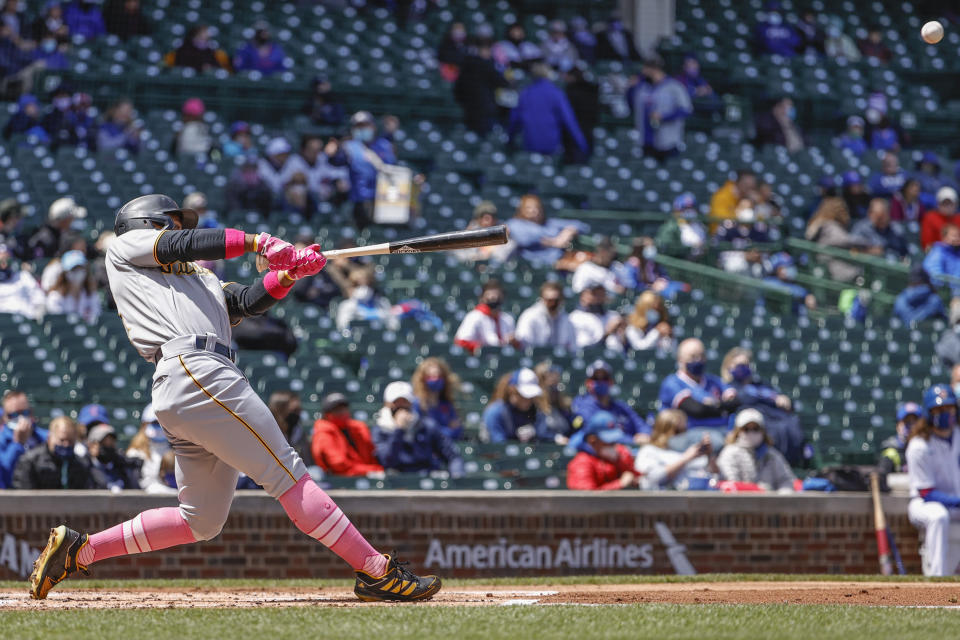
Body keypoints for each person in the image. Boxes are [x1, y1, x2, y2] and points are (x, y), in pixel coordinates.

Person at [28, 193, 440, 603]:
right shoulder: (124, 247)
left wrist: (289, 275)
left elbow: (243, 302)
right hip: (194, 368)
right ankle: (374, 570)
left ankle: (82, 550)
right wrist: (260, 242)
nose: (180, 228)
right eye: (170, 221)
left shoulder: (198, 279)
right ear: (146, 222)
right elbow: (180, 244)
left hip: (190, 382)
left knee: (200, 519)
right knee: (288, 473)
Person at [906, 384, 960, 576]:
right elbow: (926, 493)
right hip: (924, 504)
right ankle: (937, 579)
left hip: (955, 502)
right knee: (938, 515)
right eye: (939, 409)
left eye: (949, 408)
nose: (945, 413)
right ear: (929, 413)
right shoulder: (919, 445)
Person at [720, 347, 805, 465]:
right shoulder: (727, 387)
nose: (742, 368)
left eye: (745, 364)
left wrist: (784, 399)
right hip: (756, 419)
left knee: (792, 423)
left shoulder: (761, 385)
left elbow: (787, 402)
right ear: (729, 367)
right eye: (738, 365)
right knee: (773, 429)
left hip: (776, 417)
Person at [371, 381, 463, 477]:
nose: (401, 406)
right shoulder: (380, 430)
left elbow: (452, 455)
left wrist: (457, 476)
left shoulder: (426, 426)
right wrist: (399, 430)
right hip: (396, 480)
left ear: (411, 404)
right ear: (387, 404)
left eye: (405, 402)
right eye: (397, 402)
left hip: (427, 477)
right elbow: (387, 460)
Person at [659, 338, 738, 447]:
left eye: (702, 356)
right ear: (680, 359)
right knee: (718, 443)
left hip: (722, 430)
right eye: (693, 357)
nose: (699, 360)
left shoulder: (713, 380)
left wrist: (711, 405)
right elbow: (696, 410)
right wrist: (722, 408)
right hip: (687, 435)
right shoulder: (672, 382)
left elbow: (735, 403)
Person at [328, 111, 398, 230]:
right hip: (359, 200)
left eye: (365, 125)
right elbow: (336, 161)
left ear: (373, 126)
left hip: (383, 199)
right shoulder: (349, 146)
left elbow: (392, 168)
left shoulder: (384, 145)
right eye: (358, 126)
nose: (362, 129)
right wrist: (332, 152)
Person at [508, 63, 588, 157]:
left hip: (530, 143)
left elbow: (514, 120)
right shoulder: (556, 93)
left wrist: (510, 140)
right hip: (551, 144)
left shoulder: (525, 93)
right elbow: (569, 121)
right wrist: (582, 145)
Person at [627, 56, 692, 161]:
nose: (643, 71)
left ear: (654, 69)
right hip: (645, 140)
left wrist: (663, 116)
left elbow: (686, 110)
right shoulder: (641, 87)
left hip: (668, 141)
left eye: (646, 68)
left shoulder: (674, 86)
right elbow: (631, 106)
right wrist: (630, 89)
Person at [716, 408, 796, 491]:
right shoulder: (730, 453)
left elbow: (787, 480)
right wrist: (758, 490)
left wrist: (781, 496)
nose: (751, 432)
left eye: (756, 429)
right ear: (738, 431)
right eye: (746, 429)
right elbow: (731, 484)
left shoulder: (772, 454)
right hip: (739, 502)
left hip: (770, 502)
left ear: (763, 431)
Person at [634, 409, 717, 490]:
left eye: (684, 430)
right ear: (664, 430)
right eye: (677, 431)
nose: (682, 436)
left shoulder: (690, 449)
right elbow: (652, 478)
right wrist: (685, 458)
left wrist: (709, 454)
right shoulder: (649, 450)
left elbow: (715, 475)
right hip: (667, 500)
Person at [572, 359, 649, 444]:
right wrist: (633, 441)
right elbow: (599, 434)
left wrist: (646, 435)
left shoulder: (620, 406)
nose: (600, 382)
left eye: (604, 378)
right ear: (588, 383)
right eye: (596, 378)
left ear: (611, 382)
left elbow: (640, 423)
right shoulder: (584, 406)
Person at [12, 416, 98, 490]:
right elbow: (24, 494)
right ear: (49, 438)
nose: (66, 444)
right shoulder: (30, 461)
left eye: (70, 441)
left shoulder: (81, 464)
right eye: (62, 440)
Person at [310, 393, 383, 477]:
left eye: (344, 408)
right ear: (327, 414)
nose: (342, 412)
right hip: (337, 482)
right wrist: (372, 470)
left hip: (361, 475)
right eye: (337, 410)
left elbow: (372, 457)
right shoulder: (324, 432)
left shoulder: (357, 428)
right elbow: (340, 466)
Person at [505, 194, 588, 267]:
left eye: (537, 207)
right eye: (529, 208)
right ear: (522, 209)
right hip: (533, 266)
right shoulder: (515, 223)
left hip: (559, 262)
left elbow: (582, 226)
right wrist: (555, 242)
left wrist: (568, 231)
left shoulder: (550, 223)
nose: (534, 211)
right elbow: (524, 240)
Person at [565, 411, 638, 491]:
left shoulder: (621, 453)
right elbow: (587, 499)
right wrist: (620, 484)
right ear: (592, 440)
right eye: (608, 441)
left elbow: (638, 476)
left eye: (614, 441)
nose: (613, 445)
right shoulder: (581, 463)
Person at [482, 369, 556, 443]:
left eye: (531, 396)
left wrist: (535, 433)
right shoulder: (495, 412)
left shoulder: (537, 412)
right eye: (524, 395)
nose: (528, 399)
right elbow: (499, 445)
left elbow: (545, 437)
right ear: (512, 390)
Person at [804, 196, 866, 283]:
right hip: (832, 266)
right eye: (842, 210)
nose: (845, 213)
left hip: (826, 264)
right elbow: (844, 240)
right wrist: (867, 243)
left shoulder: (820, 224)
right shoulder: (829, 225)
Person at [454, 36, 507, 135]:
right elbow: (502, 82)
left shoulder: (466, 64)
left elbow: (457, 90)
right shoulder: (486, 65)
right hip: (484, 108)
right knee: (484, 136)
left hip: (469, 108)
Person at [0, 389, 48, 489]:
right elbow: (5, 474)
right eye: (14, 415)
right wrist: (18, 444)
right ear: (5, 417)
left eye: (25, 412)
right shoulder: (1, 441)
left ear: (31, 412)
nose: (21, 418)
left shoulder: (46, 437)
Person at [453, 279, 516, 352]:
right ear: (482, 298)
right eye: (490, 297)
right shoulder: (474, 316)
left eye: (497, 297)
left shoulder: (507, 319)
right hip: (482, 359)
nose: (494, 299)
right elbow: (460, 341)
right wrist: (481, 348)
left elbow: (515, 344)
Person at [515, 281, 577, 351]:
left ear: (561, 300)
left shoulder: (566, 319)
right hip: (536, 358)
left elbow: (572, 347)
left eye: (556, 300)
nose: (553, 303)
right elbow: (524, 344)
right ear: (542, 299)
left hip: (559, 359)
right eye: (549, 300)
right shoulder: (530, 316)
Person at [125, 403, 173, 493]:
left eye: (163, 423)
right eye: (155, 423)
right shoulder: (135, 453)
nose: (160, 426)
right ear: (144, 424)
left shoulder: (177, 449)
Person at [286, 135, 348, 204]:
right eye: (312, 150)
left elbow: (333, 172)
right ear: (303, 150)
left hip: (320, 196)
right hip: (304, 197)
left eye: (318, 150)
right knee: (298, 190)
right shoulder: (294, 161)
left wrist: (338, 180)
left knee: (343, 185)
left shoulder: (321, 158)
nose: (316, 153)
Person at [411, 358, 462, 441]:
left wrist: (440, 432)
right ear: (423, 379)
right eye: (431, 377)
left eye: (439, 376)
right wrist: (447, 430)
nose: (436, 379)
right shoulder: (417, 404)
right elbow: (421, 432)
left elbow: (457, 430)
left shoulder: (447, 404)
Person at [45, 249, 101, 323]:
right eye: (74, 269)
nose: (78, 272)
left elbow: (96, 320)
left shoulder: (92, 295)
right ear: (65, 273)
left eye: (81, 268)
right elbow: (58, 324)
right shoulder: (55, 298)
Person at [568, 281, 626, 351]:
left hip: (618, 357)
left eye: (601, 294)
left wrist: (623, 333)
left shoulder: (613, 315)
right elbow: (586, 350)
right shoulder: (576, 318)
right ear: (583, 296)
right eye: (594, 294)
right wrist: (607, 333)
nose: (598, 298)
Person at [335, 267, 397, 331]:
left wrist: (380, 315)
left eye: (367, 284)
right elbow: (342, 327)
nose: (363, 289)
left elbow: (393, 325)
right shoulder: (346, 305)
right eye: (357, 285)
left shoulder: (382, 302)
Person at [87, 423, 140, 491]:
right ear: (91, 445)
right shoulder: (84, 470)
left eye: (111, 443)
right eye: (103, 443)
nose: (108, 447)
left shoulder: (123, 467)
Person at [0, 243, 45, 320]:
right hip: (4, 323)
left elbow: (39, 297)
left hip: (27, 319)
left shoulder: (23, 276)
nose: (4, 263)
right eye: (1, 260)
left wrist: (39, 311)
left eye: (7, 258)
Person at [655, 194, 707, 258]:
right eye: (685, 208)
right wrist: (691, 248)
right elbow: (666, 248)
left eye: (692, 208)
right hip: (679, 264)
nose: (689, 211)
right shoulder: (671, 227)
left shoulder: (701, 226)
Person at [535, 362, 575, 443]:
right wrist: (556, 439)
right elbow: (539, 432)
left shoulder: (565, 406)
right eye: (548, 376)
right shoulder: (533, 405)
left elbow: (571, 430)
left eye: (556, 379)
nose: (553, 380)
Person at [268, 390, 310, 464]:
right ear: (278, 411)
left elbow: (306, 463)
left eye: (299, 410)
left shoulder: (299, 432)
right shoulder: (266, 433)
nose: (298, 415)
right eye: (293, 411)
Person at [879, 402, 921, 475]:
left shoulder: (928, 448)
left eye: (914, 422)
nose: (910, 426)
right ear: (898, 425)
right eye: (906, 422)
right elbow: (882, 478)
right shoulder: (891, 452)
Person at [923, 224, 960, 298]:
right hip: (949, 295)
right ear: (944, 237)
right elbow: (936, 276)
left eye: (959, 235)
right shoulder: (937, 252)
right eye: (954, 235)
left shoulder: (958, 253)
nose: (958, 238)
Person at [921, 187, 959, 251]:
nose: (948, 206)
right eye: (944, 203)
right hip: (937, 253)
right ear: (938, 204)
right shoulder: (930, 217)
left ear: (956, 204)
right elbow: (927, 245)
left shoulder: (958, 218)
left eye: (950, 203)